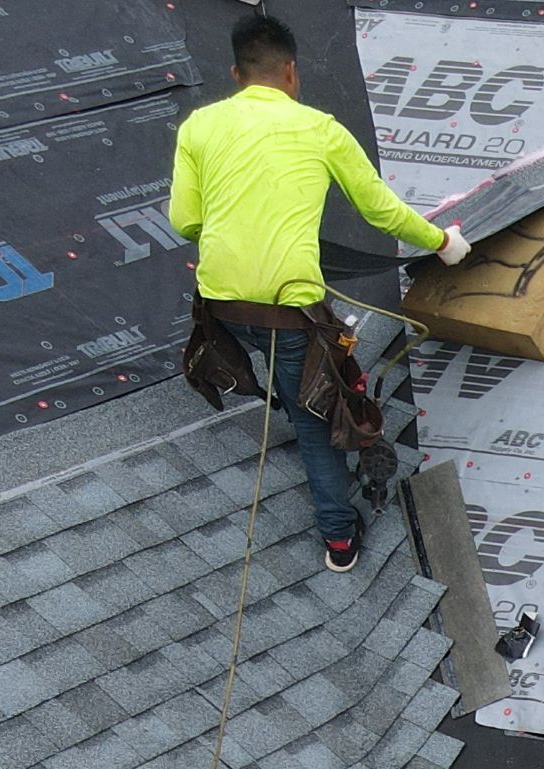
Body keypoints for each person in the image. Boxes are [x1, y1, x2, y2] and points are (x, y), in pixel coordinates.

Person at [168, 15, 471, 571]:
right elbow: (380, 211)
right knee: (315, 419)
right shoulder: (320, 129)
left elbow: (186, 221)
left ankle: (284, 389)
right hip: (289, 313)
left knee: (283, 372)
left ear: (237, 74)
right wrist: (441, 242)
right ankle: (338, 538)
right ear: (291, 72)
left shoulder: (199, 127)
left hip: (221, 308)